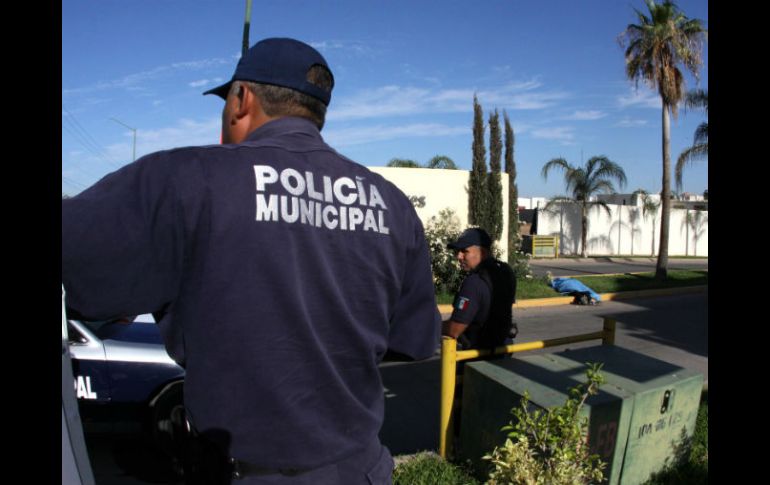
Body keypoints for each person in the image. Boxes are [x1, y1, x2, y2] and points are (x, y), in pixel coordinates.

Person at [62, 37, 441, 484]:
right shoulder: (391, 204)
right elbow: (414, 341)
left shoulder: (188, 179)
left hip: (244, 473)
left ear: (242, 99)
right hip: (363, 471)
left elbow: (82, 272)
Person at [441, 228, 517, 350]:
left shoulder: (474, 282)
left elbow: (455, 330)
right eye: (457, 251)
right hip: (503, 348)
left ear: (483, 252)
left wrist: (433, 325)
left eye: (464, 251)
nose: (459, 256)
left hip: (477, 353)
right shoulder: (506, 272)